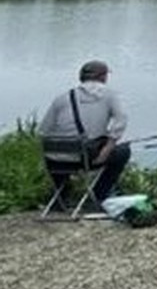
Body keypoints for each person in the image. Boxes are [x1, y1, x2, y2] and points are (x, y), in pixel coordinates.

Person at [38, 59, 131, 203]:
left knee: (63, 148)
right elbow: (121, 121)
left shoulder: (62, 98)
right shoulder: (109, 95)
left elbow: (44, 130)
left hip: (55, 160)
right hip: (86, 159)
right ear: (103, 77)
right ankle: (99, 195)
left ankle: (62, 195)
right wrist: (107, 148)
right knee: (123, 151)